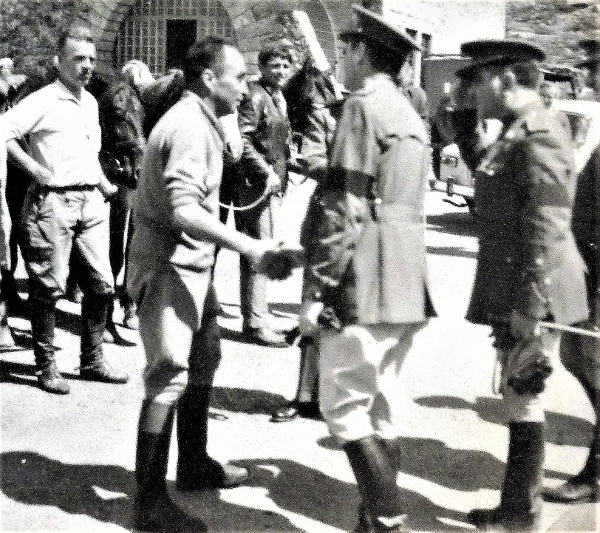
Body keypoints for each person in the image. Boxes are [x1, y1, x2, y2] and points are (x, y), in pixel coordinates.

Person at [126, 36, 300, 532]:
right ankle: (149, 503)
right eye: (238, 77)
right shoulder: (186, 127)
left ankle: (195, 463)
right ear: (209, 77)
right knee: (169, 374)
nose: (245, 88)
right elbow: (183, 208)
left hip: (192, 265)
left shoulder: (203, 120)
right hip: (168, 265)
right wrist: (253, 249)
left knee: (204, 357)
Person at [299, 6, 435, 531]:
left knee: (344, 409)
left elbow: (346, 208)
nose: (341, 57)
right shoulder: (406, 111)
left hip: (366, 270)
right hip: (406, 270)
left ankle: (386, 518)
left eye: (346, 49)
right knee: (381, 405)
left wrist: (319, 288)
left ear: (359, 52)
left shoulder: (362, 108)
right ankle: (371, 523)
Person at [448, 40, 589, 531]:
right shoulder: (514, 131)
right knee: (517, 393)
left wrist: (530, 305)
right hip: (517, 279)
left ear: (506, 78)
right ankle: (517, 510)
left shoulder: (541, 133)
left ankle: (520, 515)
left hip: (537, 285)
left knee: (524, 393)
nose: (471, 88)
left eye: (477, 79)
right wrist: (462, 115)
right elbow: (487, 179)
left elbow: (547, 227)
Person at [0, 24, 128, 395]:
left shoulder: (90, 102)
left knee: (103, 285)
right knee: (49, 287)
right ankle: (46, 365)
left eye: (91, 59)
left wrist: (104, 185)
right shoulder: (43, 100)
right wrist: (34, 168)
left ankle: (92, 360)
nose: (87, 66)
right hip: (52, 204)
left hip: (90, 202)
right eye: (78, 59)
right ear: (59, 62)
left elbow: (87, 153)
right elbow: (3, 130)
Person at [540, 36, 600, 504]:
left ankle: (596, 474)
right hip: (588, 262)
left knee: (589, 360)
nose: (592, 78)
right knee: (578, 357)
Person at [271, 58, 344, 423]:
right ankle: (304, 396)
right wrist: (353, 174)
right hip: (329, 222)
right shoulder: (326, 118)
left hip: (367, 231)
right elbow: (312, 158)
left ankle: (338, 394)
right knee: (312, 310)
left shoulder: (372, 115)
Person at [230, 43, 294, 347]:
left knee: (264, 249)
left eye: (285, 66)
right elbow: (243, 139)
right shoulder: (255, 96)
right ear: (262, 67)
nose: (280, 71)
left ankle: (258, 317)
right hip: (256, 184)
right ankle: (255, 325)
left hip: (273, 183)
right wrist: (265, 172)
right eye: (274, 66)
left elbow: (273, 138)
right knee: (260, 251)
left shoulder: (277, 96)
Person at [97, 62, 149, 343]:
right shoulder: (117, 96)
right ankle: (103, 313)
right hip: (113, 170)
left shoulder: (136, 101)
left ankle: (129, 302)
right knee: (112, 243)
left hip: (130, 170)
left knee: (133, 240)